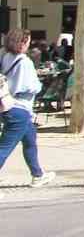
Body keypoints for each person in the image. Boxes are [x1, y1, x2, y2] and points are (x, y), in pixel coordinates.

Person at [0, 29, 56, 187]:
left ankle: (37, 174)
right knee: (4, 148)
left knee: (30, 140)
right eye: (28, 42)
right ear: (22, 43)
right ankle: (37, 175)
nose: (29, 45)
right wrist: (39, 84)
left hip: (9, 104)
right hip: (20, 108)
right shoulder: (25, 61)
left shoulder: (6, 56)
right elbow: (31, 87)